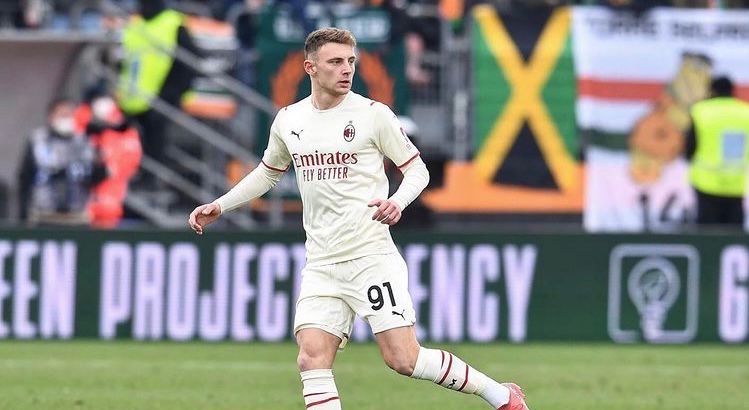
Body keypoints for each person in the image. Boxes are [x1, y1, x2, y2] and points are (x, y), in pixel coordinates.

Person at [189, 27, 529, 410]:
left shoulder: (373, 115)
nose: (346, 69)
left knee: (403, 359)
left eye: (351, 61)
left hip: (370, 257)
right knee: (311, 357)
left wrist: (398, 201)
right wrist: (221, 205)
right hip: (321, 262)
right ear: (310, 67)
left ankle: (501, 395)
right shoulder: (289, 119)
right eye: (335, 61)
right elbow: (269, 173)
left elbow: (417, 170)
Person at [116, 0, 201, 181]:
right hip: (131, 101)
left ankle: (151, 182)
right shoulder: (135, 24)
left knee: (155, 148)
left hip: (160, 99)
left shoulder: (173, 23)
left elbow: (189, 63)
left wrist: (170, 94)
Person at [17, 98, 105, 226]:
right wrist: (23, 214)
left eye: (68, 114)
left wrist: (100, 164)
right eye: (62, 115)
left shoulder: (85, 142)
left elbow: (98, 176)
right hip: (44, 216)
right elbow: (25, 178)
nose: (66, 119)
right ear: (51, 116)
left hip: (77, 216)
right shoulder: (37, 141)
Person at [685, 76, 749, 227]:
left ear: (712, 91)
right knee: (733, 236)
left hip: (706, 183)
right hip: (736, 184)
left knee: (707, 236)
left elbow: (690, 148)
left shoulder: (700, 111)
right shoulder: (745, 112)